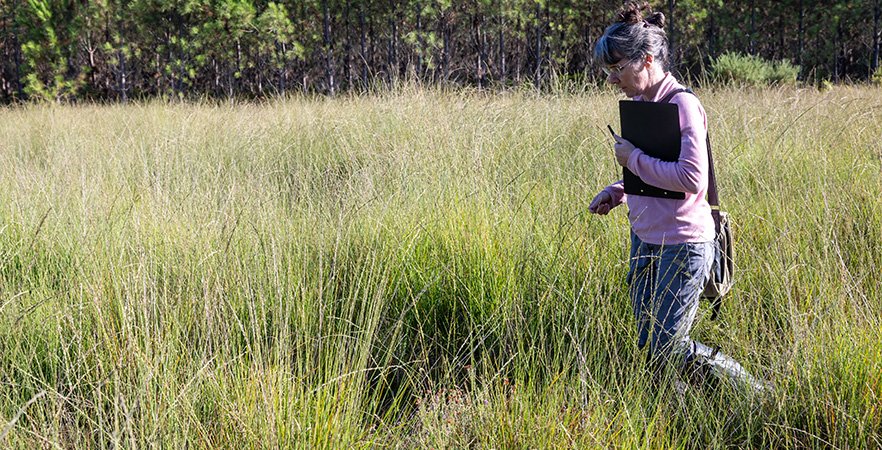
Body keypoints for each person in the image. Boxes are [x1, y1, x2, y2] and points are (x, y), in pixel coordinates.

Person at [589, 2, 764, 393]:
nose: (612, 80)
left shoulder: (682, 104)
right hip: (645, 238)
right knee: (651, 345)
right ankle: (674, 412)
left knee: (668, 344)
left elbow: (689, 178)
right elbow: (653, 173)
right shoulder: (640, 105)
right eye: (609, 71)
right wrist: (618, 191)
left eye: (618, 69)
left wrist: (631, 157)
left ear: (647, 59)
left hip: (683, 244)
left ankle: (753, 392)